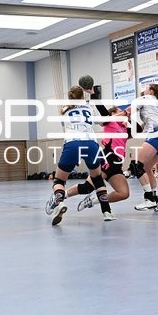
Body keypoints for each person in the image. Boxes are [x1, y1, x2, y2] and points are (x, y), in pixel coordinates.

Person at [45, 85, 113, 225]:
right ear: (83, 96)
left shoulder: (64, 110)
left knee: (59, 181)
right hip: (91, 144)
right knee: (97, 178)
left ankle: (59, 203)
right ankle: (107, 211)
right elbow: (105, 120)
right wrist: (92, 96)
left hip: (73, 144)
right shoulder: (89, 108)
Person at [66, 106, 130, 219]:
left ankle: (93, 201)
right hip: (107, 158)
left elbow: (139, 129)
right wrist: (94, 94)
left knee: (123, 193)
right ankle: (61, 195)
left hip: (117, 164)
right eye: (119, 110)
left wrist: (130, 118)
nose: (122, 112)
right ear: (114, 114)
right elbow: (104, 111)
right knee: (87, 187)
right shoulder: (110, 123)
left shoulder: (124, 129)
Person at [128, 84, 158, 210]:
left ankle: (149, 199)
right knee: (147, 168)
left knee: (136, 165)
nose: (144, 90)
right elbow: (143, 126)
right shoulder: (157, 105)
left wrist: (112, 118)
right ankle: (156, 200)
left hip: (157, 135)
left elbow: (127, 111)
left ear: (151, 91)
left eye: (146, 88)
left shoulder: (145, 99)